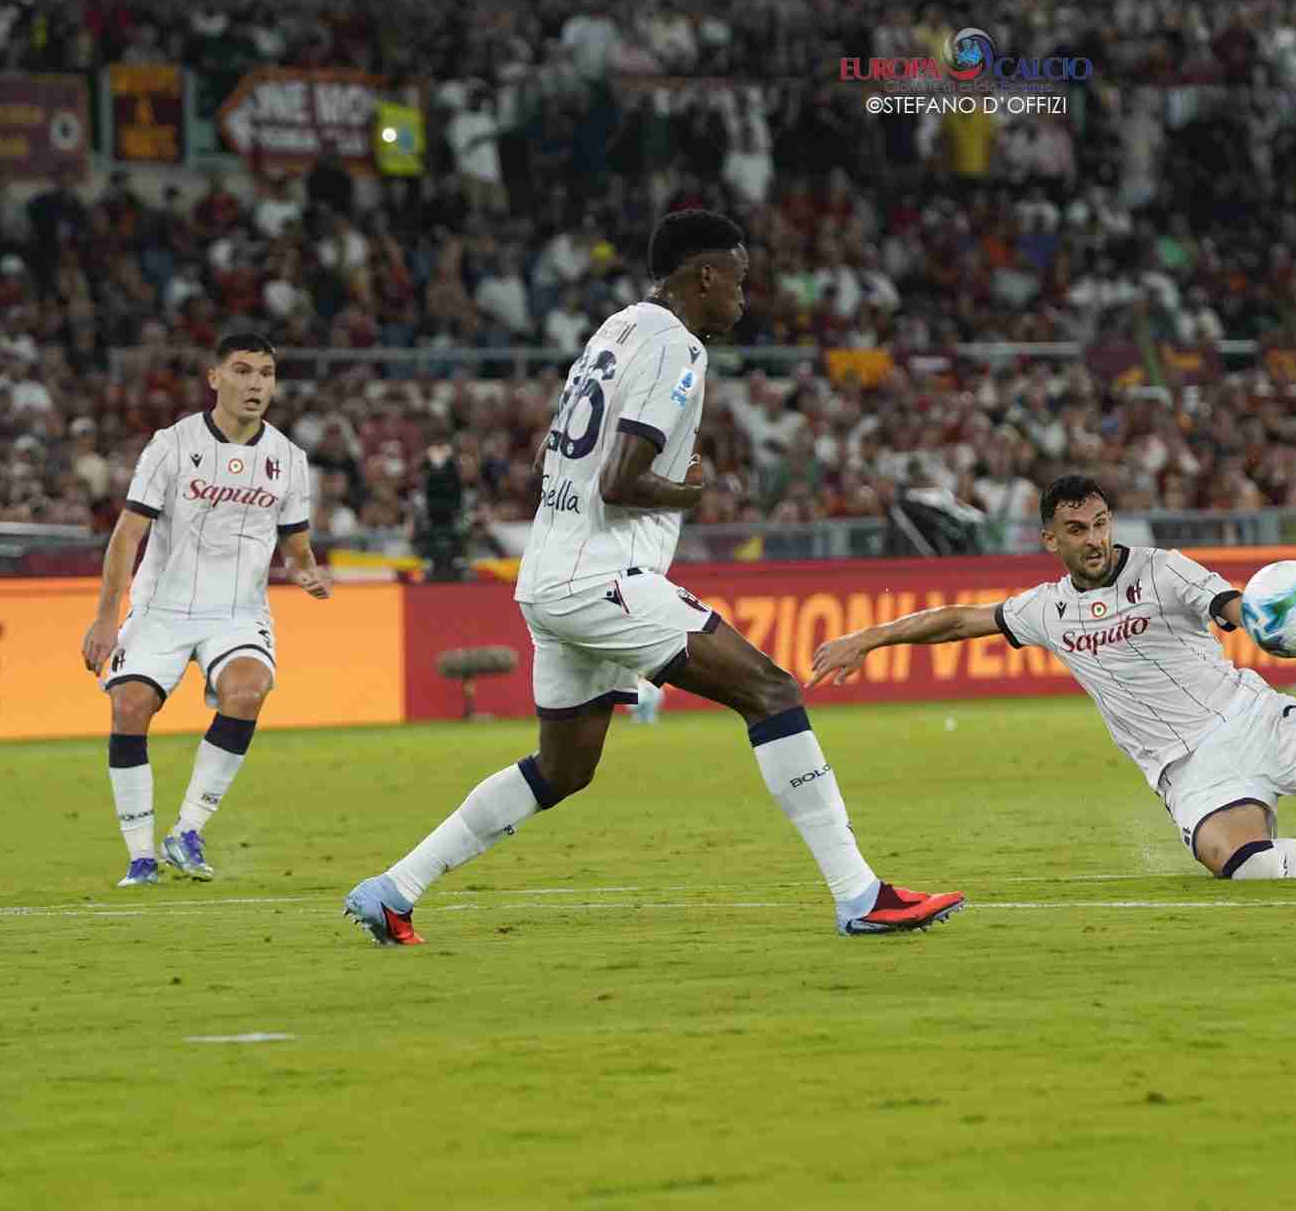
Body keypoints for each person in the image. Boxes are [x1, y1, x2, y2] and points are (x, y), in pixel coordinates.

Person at [343, 210, 962, 944]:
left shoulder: (615, 330)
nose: (743, 299)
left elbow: (553, 456)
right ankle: (860, 894)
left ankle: (394, 889)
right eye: (737, 282)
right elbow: (620, 481)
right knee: (771, 691)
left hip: (549, 573)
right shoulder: (677, 346)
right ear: (704, 276)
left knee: (563, 769)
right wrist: (692, 492)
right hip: (604, 576)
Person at [811, 476, 1296, 881]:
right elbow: (955, 621)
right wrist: (866, 638)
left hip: (1258, 721)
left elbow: (1226, 604)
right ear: (1050, 539)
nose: (1094, 539)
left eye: (1100, 523)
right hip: (1191, 772)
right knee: (1249, 869)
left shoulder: (1162, 569)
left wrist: (1258, 617)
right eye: (1076, 530)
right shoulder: (1045, 611)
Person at [79, 333, 328, 887]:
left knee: (249, 689)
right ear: (214, 377)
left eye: (265, 373)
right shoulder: (171, 445)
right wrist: (105, 617)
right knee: (129, 706)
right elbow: (127, 534)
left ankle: (187, 830)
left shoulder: (289, 459)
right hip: (162, 606)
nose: (255, 384)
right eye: (242, 370)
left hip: (237, 611)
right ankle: (141, 858)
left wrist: (306, 570)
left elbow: (296, 545)